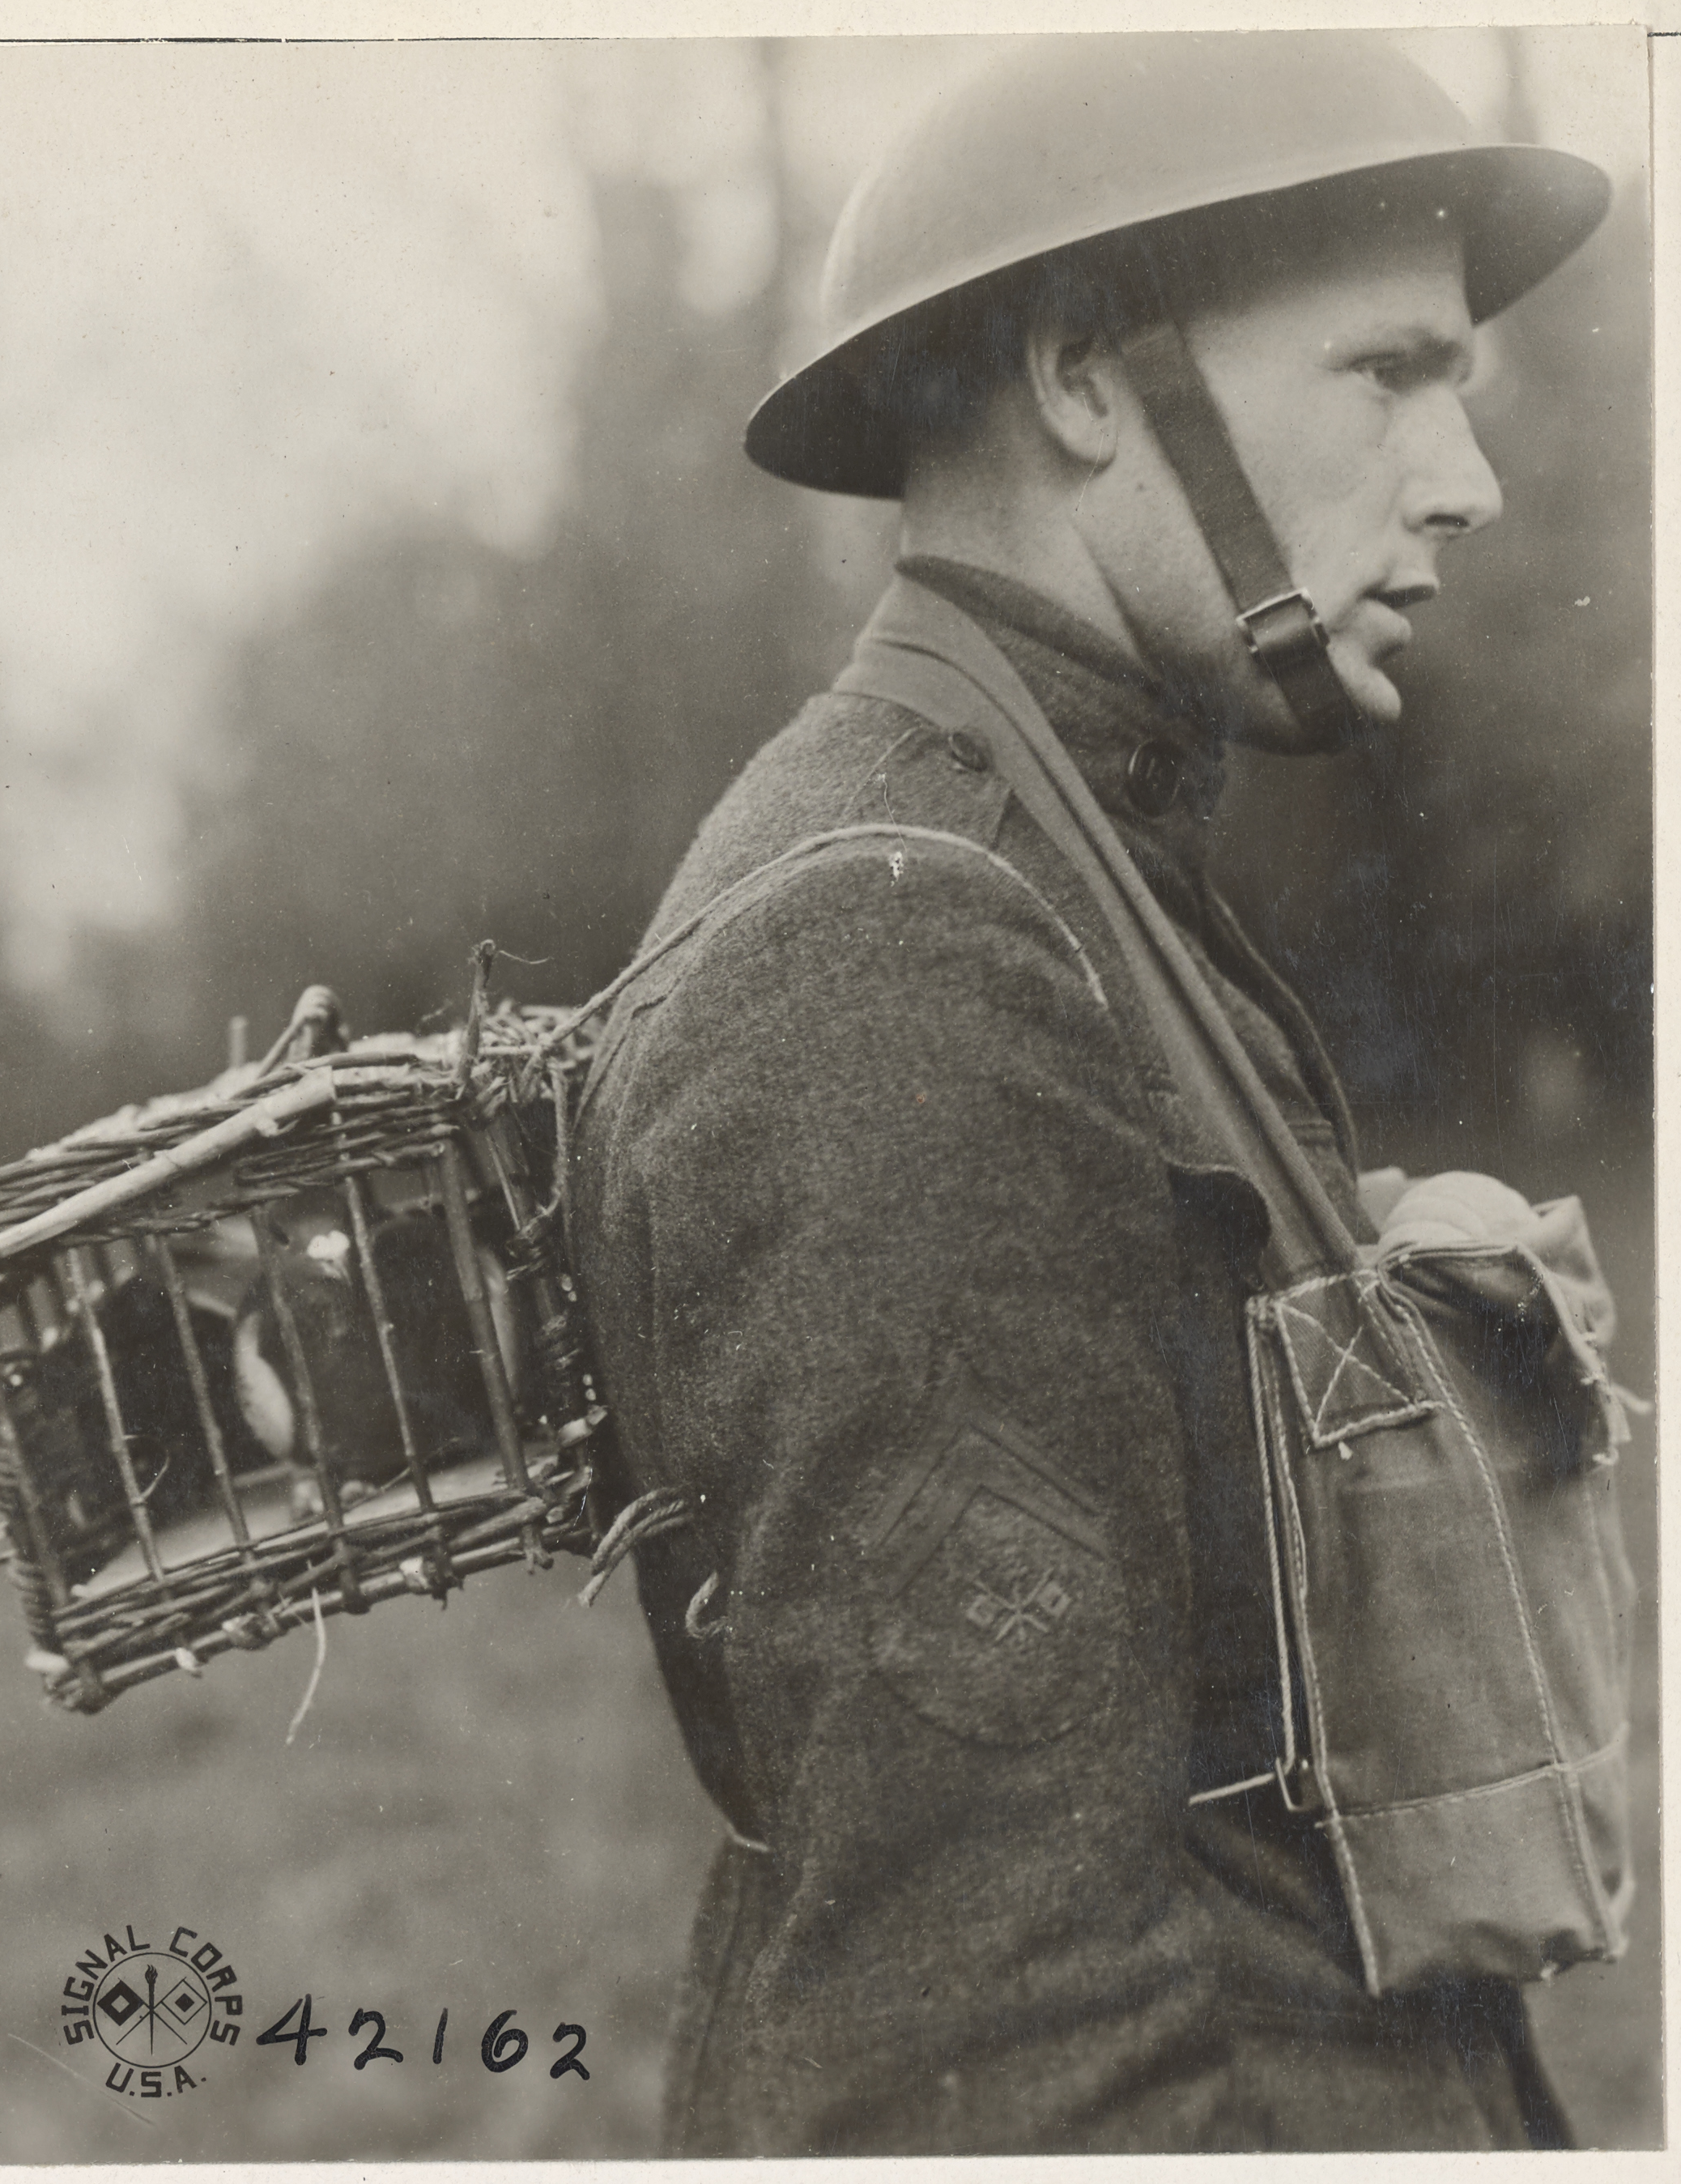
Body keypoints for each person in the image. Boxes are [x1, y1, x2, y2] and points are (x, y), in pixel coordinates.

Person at [569, 31, 1617, 2156]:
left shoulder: (1061, 857)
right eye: (1386, 372)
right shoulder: (898, 952)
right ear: (1080, 374)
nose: (1465, 476)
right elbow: (990, 2037)